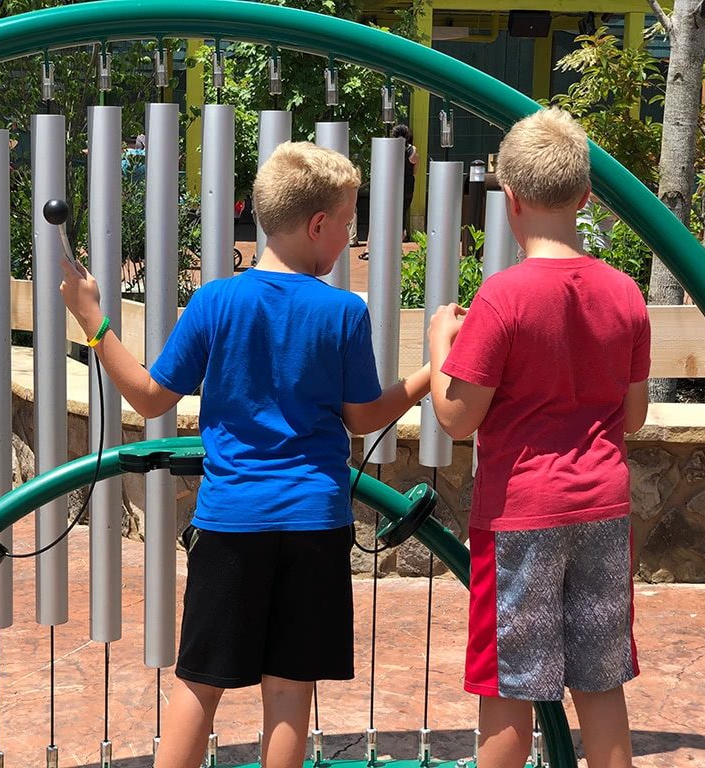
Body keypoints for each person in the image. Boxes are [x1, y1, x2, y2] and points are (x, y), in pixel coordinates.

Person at [60, 141, 431, 768]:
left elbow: (150, 399)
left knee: (199, 683)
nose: (349, 237)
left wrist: (93, 321)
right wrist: (429, 373)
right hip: (315, 521)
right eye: (348, 224)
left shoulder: (214, 302)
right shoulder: (344, 311)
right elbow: (363, 417)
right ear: (318, 225)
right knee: (288, 689)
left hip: (231, 520)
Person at [427, 108, 650, 768]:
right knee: (600, 684)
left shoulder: (501, 298)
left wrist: (441, 344)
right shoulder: (625, 292)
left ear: (509, 200)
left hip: (521, 515)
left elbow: (457, 417)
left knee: (508, 693)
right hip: (604, 509)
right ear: (585, 196)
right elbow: (632, 416)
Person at [390, 124, 417, 241]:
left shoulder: (390, 149)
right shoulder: (412, 150)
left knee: (392, 211)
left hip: (393, 184)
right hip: (408, 184)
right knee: (403, 211)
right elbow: (415, 170)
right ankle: (400, 236)